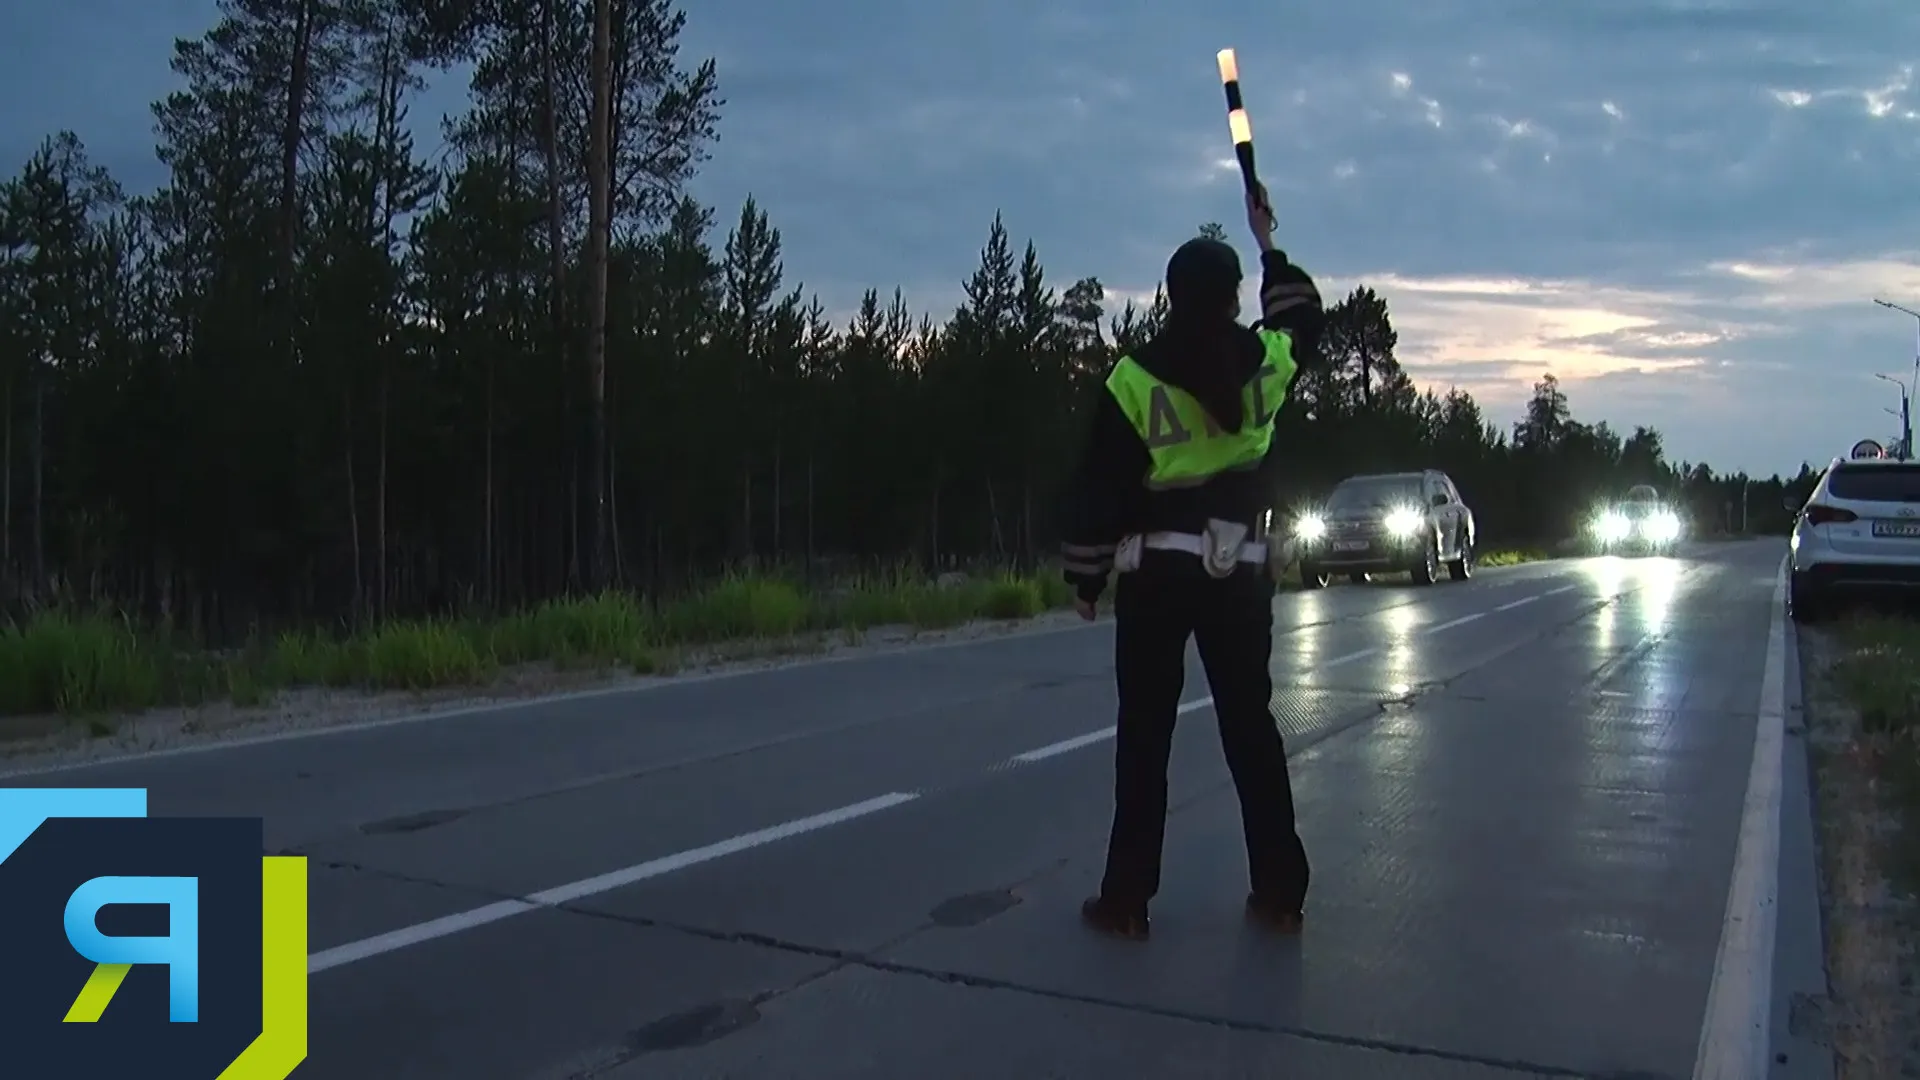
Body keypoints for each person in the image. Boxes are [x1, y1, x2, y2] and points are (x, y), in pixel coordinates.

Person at [1056, 181, 1324, 941]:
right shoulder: (1268, 365)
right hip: (1240, 579)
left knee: (1145, 739)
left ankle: (1127, 900)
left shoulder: (1133, 378)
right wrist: (1268, 240)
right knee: (1251, 731)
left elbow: (1099, 484)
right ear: (1237, 298)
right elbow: (1304, 318)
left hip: (1155, 581)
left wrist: (1086, 576)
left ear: (1171, 297)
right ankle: (1279, 890)